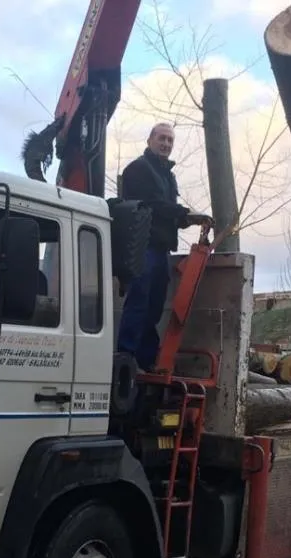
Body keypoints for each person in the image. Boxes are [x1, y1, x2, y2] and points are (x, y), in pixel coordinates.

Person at [115, 122, 212, 371]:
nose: (166, 144)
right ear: (149, 140)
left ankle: (146, 360)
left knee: (155, 306)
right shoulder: (137, 169)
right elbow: (151, 204)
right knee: (139, 301)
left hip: (161, 249)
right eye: (161, 138)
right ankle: (125, 357)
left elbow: (167, 214)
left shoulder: (168, 176)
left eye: (170, 140)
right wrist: (184, 212)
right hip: (142, 247)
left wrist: (187, 219)